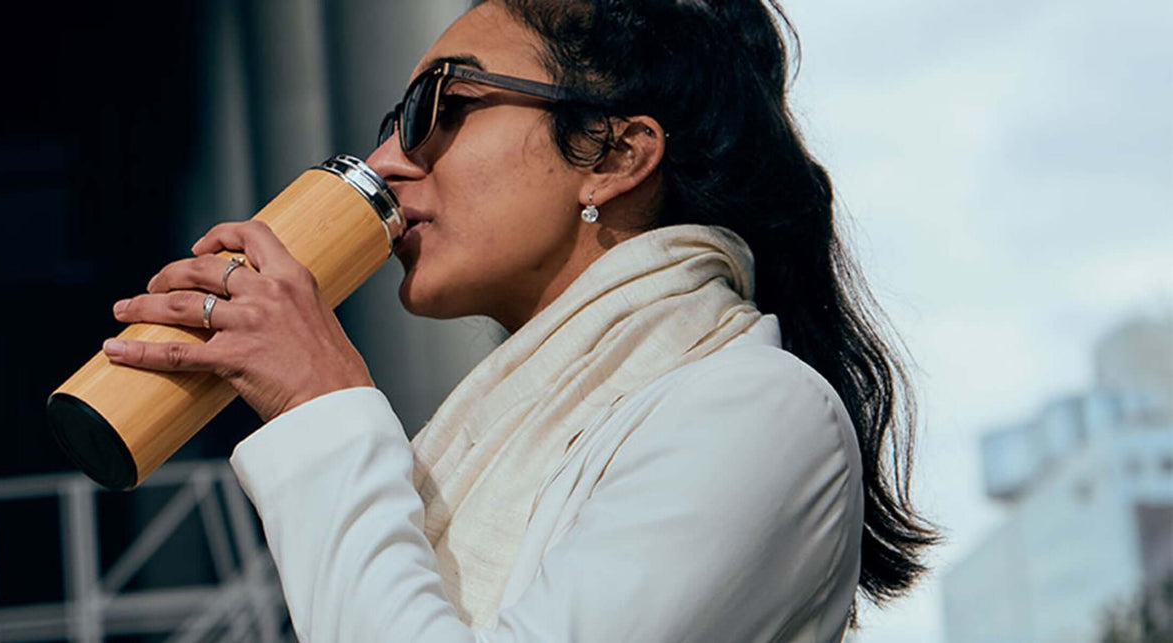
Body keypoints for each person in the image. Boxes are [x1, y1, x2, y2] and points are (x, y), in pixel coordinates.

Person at [99, 0, 938, 640]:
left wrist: (323, 401)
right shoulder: (500, 425)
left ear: (614, 154)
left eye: (440, 105)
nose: (389, 161)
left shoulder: (759, 408)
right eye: (394, 122)